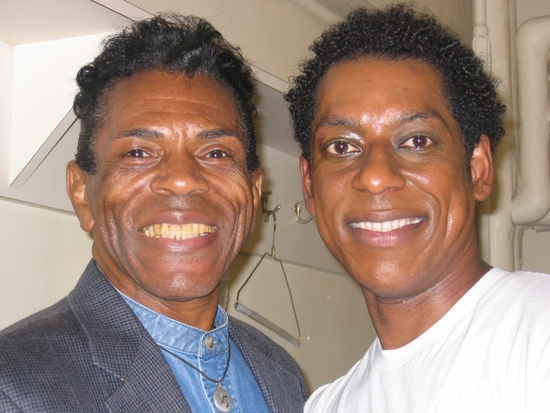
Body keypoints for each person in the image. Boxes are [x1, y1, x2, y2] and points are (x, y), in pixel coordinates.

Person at [0, 14, 306, 412]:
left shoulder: (281, 375)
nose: (182, 180)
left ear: (252, 194)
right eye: (138, 153)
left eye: (216, 153)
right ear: (81, 193)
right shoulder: (14, 387)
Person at [285, 4, 550, 412]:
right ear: (309, 185)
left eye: (417, 141)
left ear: (477, 168)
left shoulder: (538, 334)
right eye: (342, 146)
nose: (375, 176)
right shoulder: (327, 406)